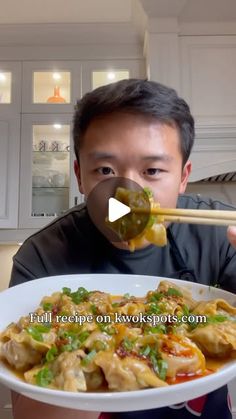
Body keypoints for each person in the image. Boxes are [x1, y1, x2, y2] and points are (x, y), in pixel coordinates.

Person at [9, 79, 236, 419]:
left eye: (153, 170)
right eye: (105, 170)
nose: (127, 194)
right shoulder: (42, 255)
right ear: (79, 175)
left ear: (184, 176)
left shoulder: (219, 235)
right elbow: (30, 413)